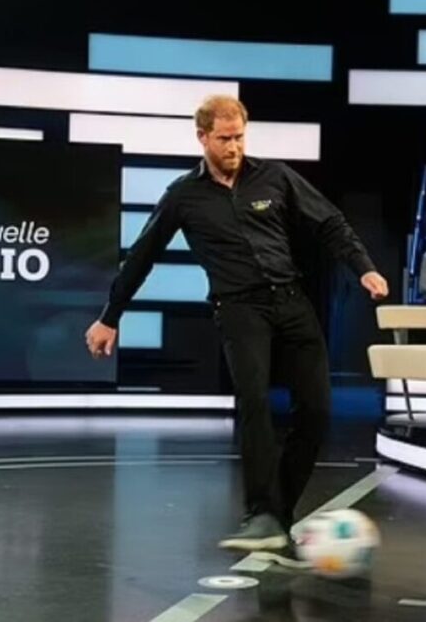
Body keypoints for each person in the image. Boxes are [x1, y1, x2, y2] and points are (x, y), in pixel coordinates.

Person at [83, 96, 389, 551]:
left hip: (292, 302)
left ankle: (277, 514)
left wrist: (363, 267)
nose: (234, 147)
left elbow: (329, 223)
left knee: (317, 410)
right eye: (225, 139)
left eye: (240, 137)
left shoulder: (275, 176)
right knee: (254, 403)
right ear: (202, 137)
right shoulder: (183, 195)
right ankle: (261, 512)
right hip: (239, 309)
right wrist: (110, 317)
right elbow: (141, 257)